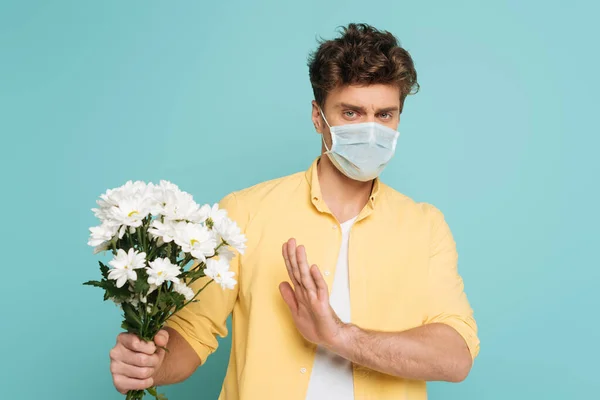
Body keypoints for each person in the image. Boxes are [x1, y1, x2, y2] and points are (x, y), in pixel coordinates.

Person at [108, 23, 480, 400]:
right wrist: (151, 364)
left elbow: (455, 355)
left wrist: (339, 336)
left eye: (385, 115)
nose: (371, 131)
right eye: (351, 113)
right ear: (318, 117)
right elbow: (193, 331)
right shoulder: (244, 213)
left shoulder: (425, 226)